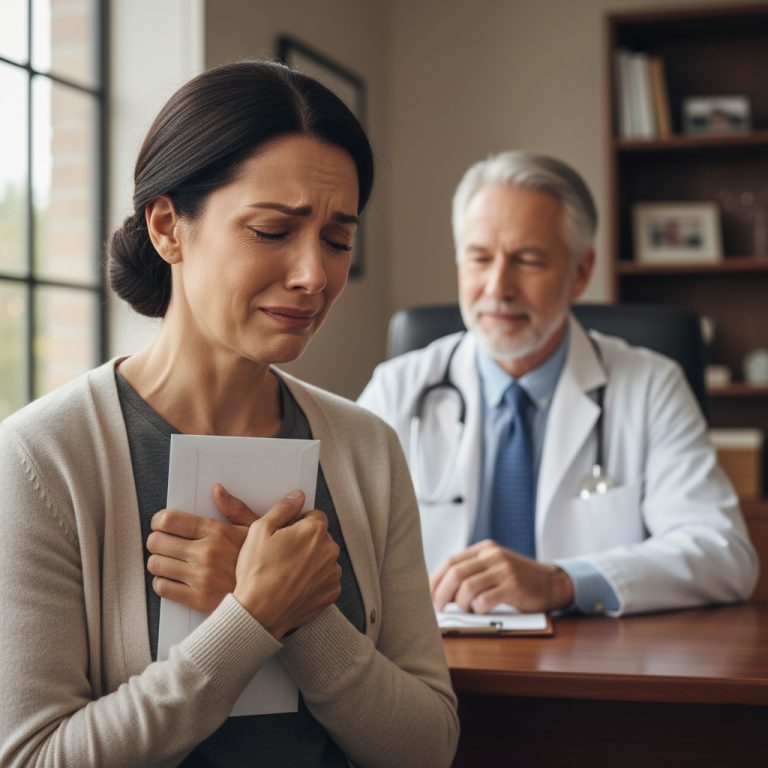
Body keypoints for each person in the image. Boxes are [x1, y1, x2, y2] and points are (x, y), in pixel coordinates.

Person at [0, 61, 458, 767]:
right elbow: (36, 758)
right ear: (167, 227)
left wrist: (304, 618)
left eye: (338, 240)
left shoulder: (369, 450)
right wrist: (253, 617)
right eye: (273, 230)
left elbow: (426, 748)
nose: (314, 275)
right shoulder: (43, 459)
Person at [359, 150, 758, 617]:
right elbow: (338, 540)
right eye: (479, 258)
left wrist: (564, 580)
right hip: (436, 661)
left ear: (580, 273)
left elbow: (725, 553)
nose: (497, 287)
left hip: (590, 662)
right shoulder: (399, 388)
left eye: (527, 260)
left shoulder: (651, 386)